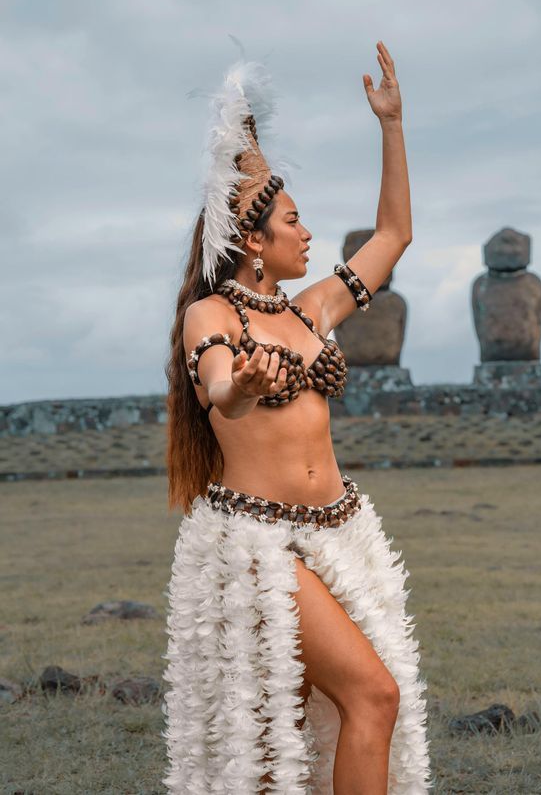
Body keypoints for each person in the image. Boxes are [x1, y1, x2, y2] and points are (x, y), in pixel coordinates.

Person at [161, 41, 432, 794]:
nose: (308, 233)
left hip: (338, 537)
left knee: (310, 740)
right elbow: (218, 385)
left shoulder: (313, 309)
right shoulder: (211, 313)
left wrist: (393, 125)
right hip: (258, 547)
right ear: (253, 240)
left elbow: (392, 238)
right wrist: (241, 384)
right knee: (361, 701)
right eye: (294, 219)